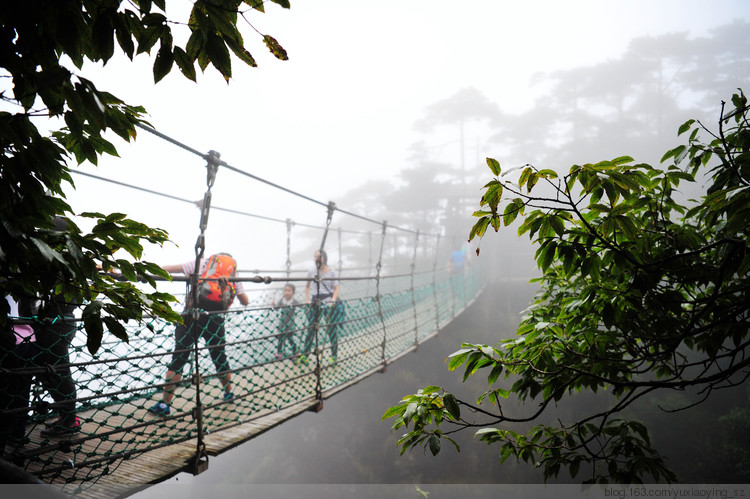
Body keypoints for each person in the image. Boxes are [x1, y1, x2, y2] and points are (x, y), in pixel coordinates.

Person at [148, 254, 249, 416]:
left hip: (191, 316)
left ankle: (164, 404)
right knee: (219, 357)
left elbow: (170, 269)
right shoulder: (233, 274)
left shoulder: (201, 263)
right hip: (214, 320)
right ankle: (228, 393)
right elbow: (245, 301)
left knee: (179, 358)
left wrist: (147, 272)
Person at [0, 296, 39, 459]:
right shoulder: (25, 282)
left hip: (10, 341)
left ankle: (8, 435)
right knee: (22, 389)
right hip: (29, 337)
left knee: (5, 393)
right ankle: (17, 434)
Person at [298, 250, 344, 365]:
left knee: (331, 329)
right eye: (315, 257)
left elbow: (336, 288)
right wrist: (307, 299)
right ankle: (305, 355)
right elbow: (307, 286)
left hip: (328, 302)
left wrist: (333, 300)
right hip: (315, 302)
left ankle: (334, 356)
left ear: (324, 257)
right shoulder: (311, 272)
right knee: (311, 329)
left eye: (319, 256)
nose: (316, 258)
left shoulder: (332, 272)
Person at [271, 283, 300, 360]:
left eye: (289, 291)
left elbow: (301, 306)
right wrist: (274, 305)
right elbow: (277, 308)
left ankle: (295, 353)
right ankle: (279, 354)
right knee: (280, 339)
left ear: (293, 292)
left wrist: (307, 306)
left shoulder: (294, 301)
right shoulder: (282, 300)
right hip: (282, 324)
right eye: (285, 290)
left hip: (290, 324)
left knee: (291, 340)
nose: (286, 292)